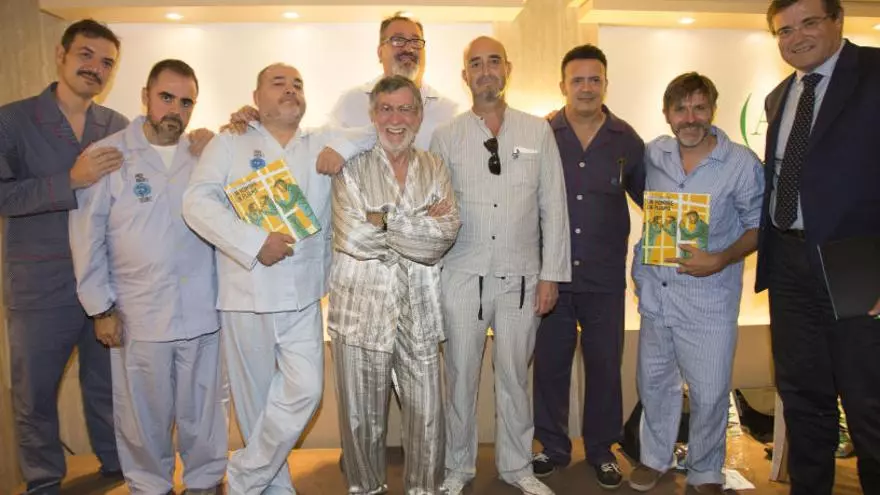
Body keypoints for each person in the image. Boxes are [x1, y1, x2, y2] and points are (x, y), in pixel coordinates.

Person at [182, 62, 370, 494]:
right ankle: (274, 489)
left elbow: (377, 131)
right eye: (278, 83)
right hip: (246, 293)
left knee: (306, 390)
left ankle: (244, 476)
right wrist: (253, 243)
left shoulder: (321, 139)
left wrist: (344, 148)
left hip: (304, 296)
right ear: (255, 97)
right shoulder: (230, 142)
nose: (290, 90)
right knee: (256, 406)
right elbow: (196, 203)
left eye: (297, 84)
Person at [69, 59, 225, 494]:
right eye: (166, 97)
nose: (176, 109)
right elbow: (86, 236)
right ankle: (150, 486)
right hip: (139, 314)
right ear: (145, 97)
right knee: (142, 414)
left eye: (186, 102)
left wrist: (221, 146)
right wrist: (100, 308)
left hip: (203, 310)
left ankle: (205, 481)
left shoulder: (205, 155)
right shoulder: (108, 155)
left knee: (205, 410)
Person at [430, 36, 570, 495]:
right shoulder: (446, 136)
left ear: (507, 68)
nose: (485, 70)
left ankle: (516, 466)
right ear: (465, 75)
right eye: (476, 63)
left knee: (514, 376)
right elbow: (434, 209)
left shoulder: (537, 130)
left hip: (522, 278)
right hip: (461, 274)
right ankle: (458, 467)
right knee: (460, 377)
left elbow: (554, 206)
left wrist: (551, 275)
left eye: (494, 61)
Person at [757, 1, 880, 493]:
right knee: (803, 397)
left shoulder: (874, 73)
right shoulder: (779, 96)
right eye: (784, 30)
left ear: (838, 21)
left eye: (808, 23)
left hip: (859, 264)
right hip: (788, 261)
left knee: (870, 401)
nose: (796, 38)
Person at [0, 19, 127, 493]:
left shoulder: (116, 126)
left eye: (106, 62)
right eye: (86, 55)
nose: (95, 67)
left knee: (107, 387)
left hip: (104, 285)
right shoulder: (12, 120)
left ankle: (116, 466)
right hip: (39, 286)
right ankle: (42, 482)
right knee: (34, 394)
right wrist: (69, 180)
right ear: (62, 54)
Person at [628, 73, 763, 495]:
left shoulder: (740, 163)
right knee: (655, 384)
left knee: (708, 392)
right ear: (667, 114)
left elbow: (759, 227)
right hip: (657, 295)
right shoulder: (654, 154)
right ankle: (655, 458)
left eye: (699, 108)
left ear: (712, 111)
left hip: (709, 300)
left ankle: (706, 470)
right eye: (681, 109)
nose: (690, 118)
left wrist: (721, 258)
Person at [329, 74, 460, 495]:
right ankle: (365, 489)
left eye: (406, 109)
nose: (396, 119)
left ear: (419, 116)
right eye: (386, 109)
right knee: (360, 421)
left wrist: (383, 220)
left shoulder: (434, 166)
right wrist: (418, 222)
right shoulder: (351, 168)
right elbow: (353, 237)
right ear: (373, 115)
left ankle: (424, 489)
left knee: (427, 417)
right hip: (359, 312)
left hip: (420, 311)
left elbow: (442, 237)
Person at [529, 44, 645, 490]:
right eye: (577, 80)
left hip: (604, 278)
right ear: (563, 85)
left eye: (594, 79)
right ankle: (552, 447)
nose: (586, 88)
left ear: (605, 84)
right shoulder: (542, 134)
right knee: (550, 368)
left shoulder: (626, 140)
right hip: (552, 278)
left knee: (604, 368)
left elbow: (652, 201)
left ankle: (601, 450)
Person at [329, 12, 459, 150]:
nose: (409, 49)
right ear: (380, 52)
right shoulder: (350, 104)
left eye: (415, 41)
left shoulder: (448, 113)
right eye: (398, 40)